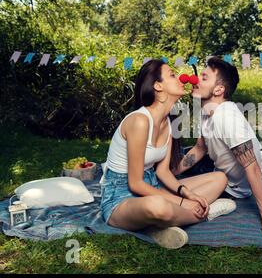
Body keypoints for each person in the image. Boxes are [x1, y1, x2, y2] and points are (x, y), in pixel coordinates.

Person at [100, 59, 236, 249]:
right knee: (158, 206)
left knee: (220, 178)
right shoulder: (139, 121)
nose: (180, 77)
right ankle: (205, 213)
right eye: (172, 75)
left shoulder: (167, 123)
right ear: (158, 86)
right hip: (120, 198)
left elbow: (163, 172)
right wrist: (183, 202)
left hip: (153, 186)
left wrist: (187, 194)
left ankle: (159, 224)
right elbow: (135, 183)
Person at [173, 57, 262, 239]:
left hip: (231, 187)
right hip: (215, 167)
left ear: (219, 89)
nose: (196, 80)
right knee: (172, 160)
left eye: (205, 78)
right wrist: (173, 171)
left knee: (176, 196)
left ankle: (212, 206)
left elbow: (252, 168)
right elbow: (200, 148)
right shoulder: (208, 110)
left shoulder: (227, 117)